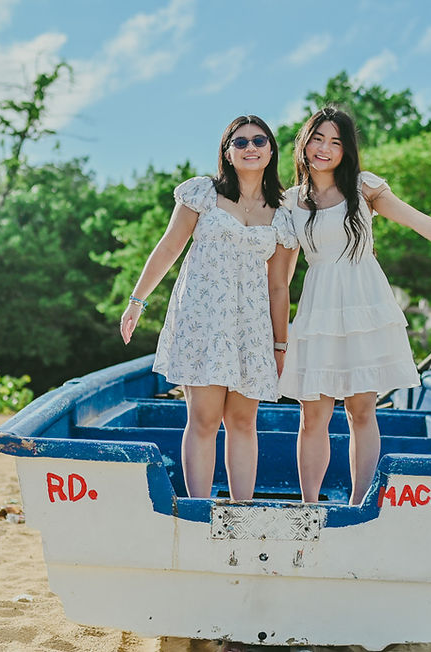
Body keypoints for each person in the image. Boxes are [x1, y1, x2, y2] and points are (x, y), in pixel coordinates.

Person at [268, 106, 431, 505]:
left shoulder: (363, 188)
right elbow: (280, 280)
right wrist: (278, 339)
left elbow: (418, 221)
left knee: (362, 412)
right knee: (313, 417)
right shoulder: (288, 203)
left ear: (346, 151)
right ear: (304, 143)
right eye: (318, 138)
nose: (325, 148)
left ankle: (360, 504)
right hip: (318, 310)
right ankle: (309, 508)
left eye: (336, 142)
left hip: (364, 303)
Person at [120, 115, 294, 501]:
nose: (251, 147)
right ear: (227, 152)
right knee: (202, 418)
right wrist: (137, 301)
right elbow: (169, 247)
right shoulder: (202, 194)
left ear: (271, 151)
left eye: (260, 140)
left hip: (251, 326)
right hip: (202, 319)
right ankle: (198, 508)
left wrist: (280, 345)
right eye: (241, 141)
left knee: (243, 421)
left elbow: (279, 286)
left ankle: (241, 511)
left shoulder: (283, 215)